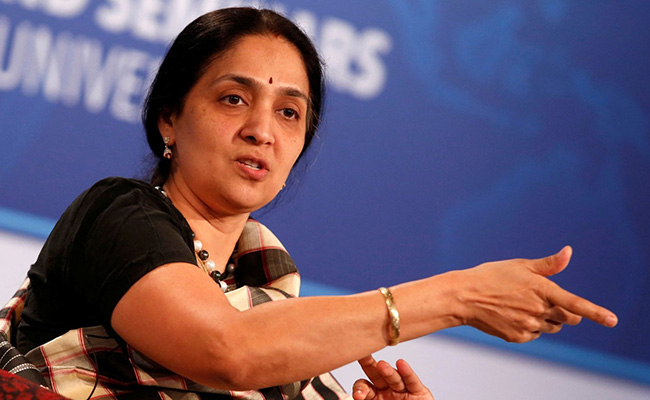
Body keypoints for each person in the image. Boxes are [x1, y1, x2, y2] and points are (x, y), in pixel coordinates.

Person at [12, 7, 617, 400]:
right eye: (232, 99)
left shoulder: (278, 314)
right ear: (169, 117)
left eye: (289, 113)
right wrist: (458, 296)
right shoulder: (118, 214)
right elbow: (228, 350)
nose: (261, 131)